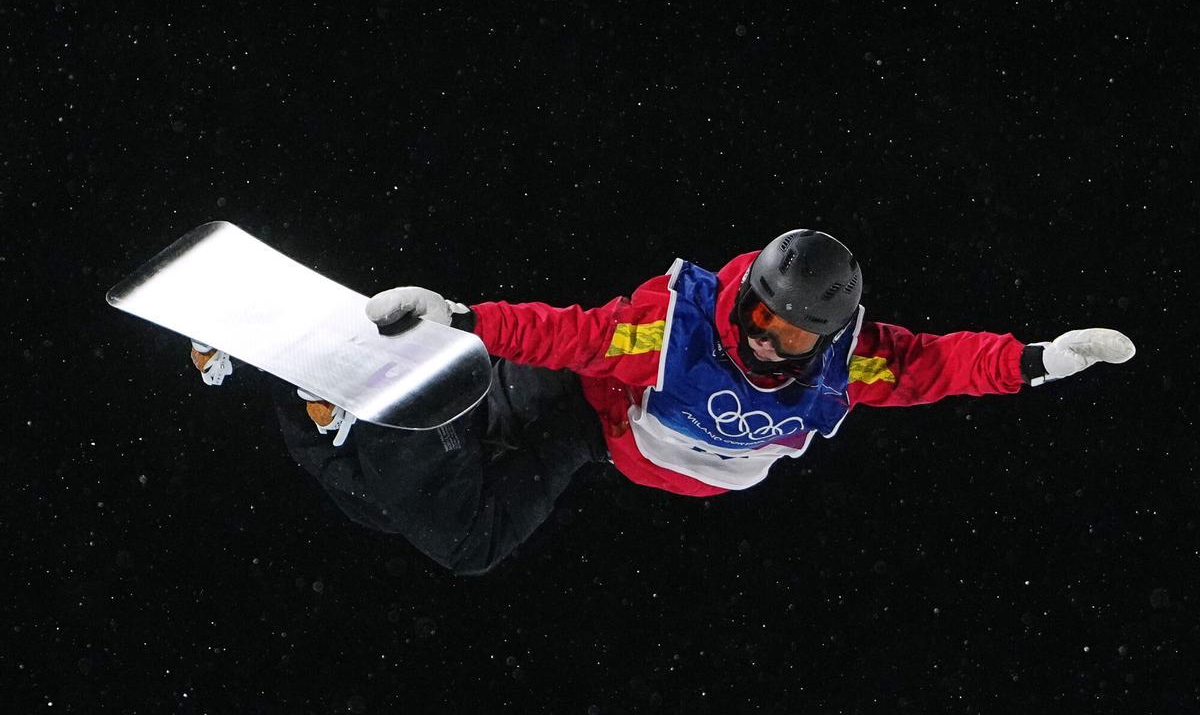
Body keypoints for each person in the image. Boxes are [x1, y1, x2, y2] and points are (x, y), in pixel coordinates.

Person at [191, 229, 1136, 575]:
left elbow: (941, 365)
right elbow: (568, 333)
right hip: (584, 410)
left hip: (606, 445)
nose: (770, 341)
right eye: (763, 318)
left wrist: (1043, 360)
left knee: (390, 515)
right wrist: (463, 316)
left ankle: (319, 403)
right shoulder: (675, 328)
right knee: (470, 539)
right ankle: (387, 392)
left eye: (794, 336)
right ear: (748, 295)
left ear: (826, 335)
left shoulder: (854, 366)